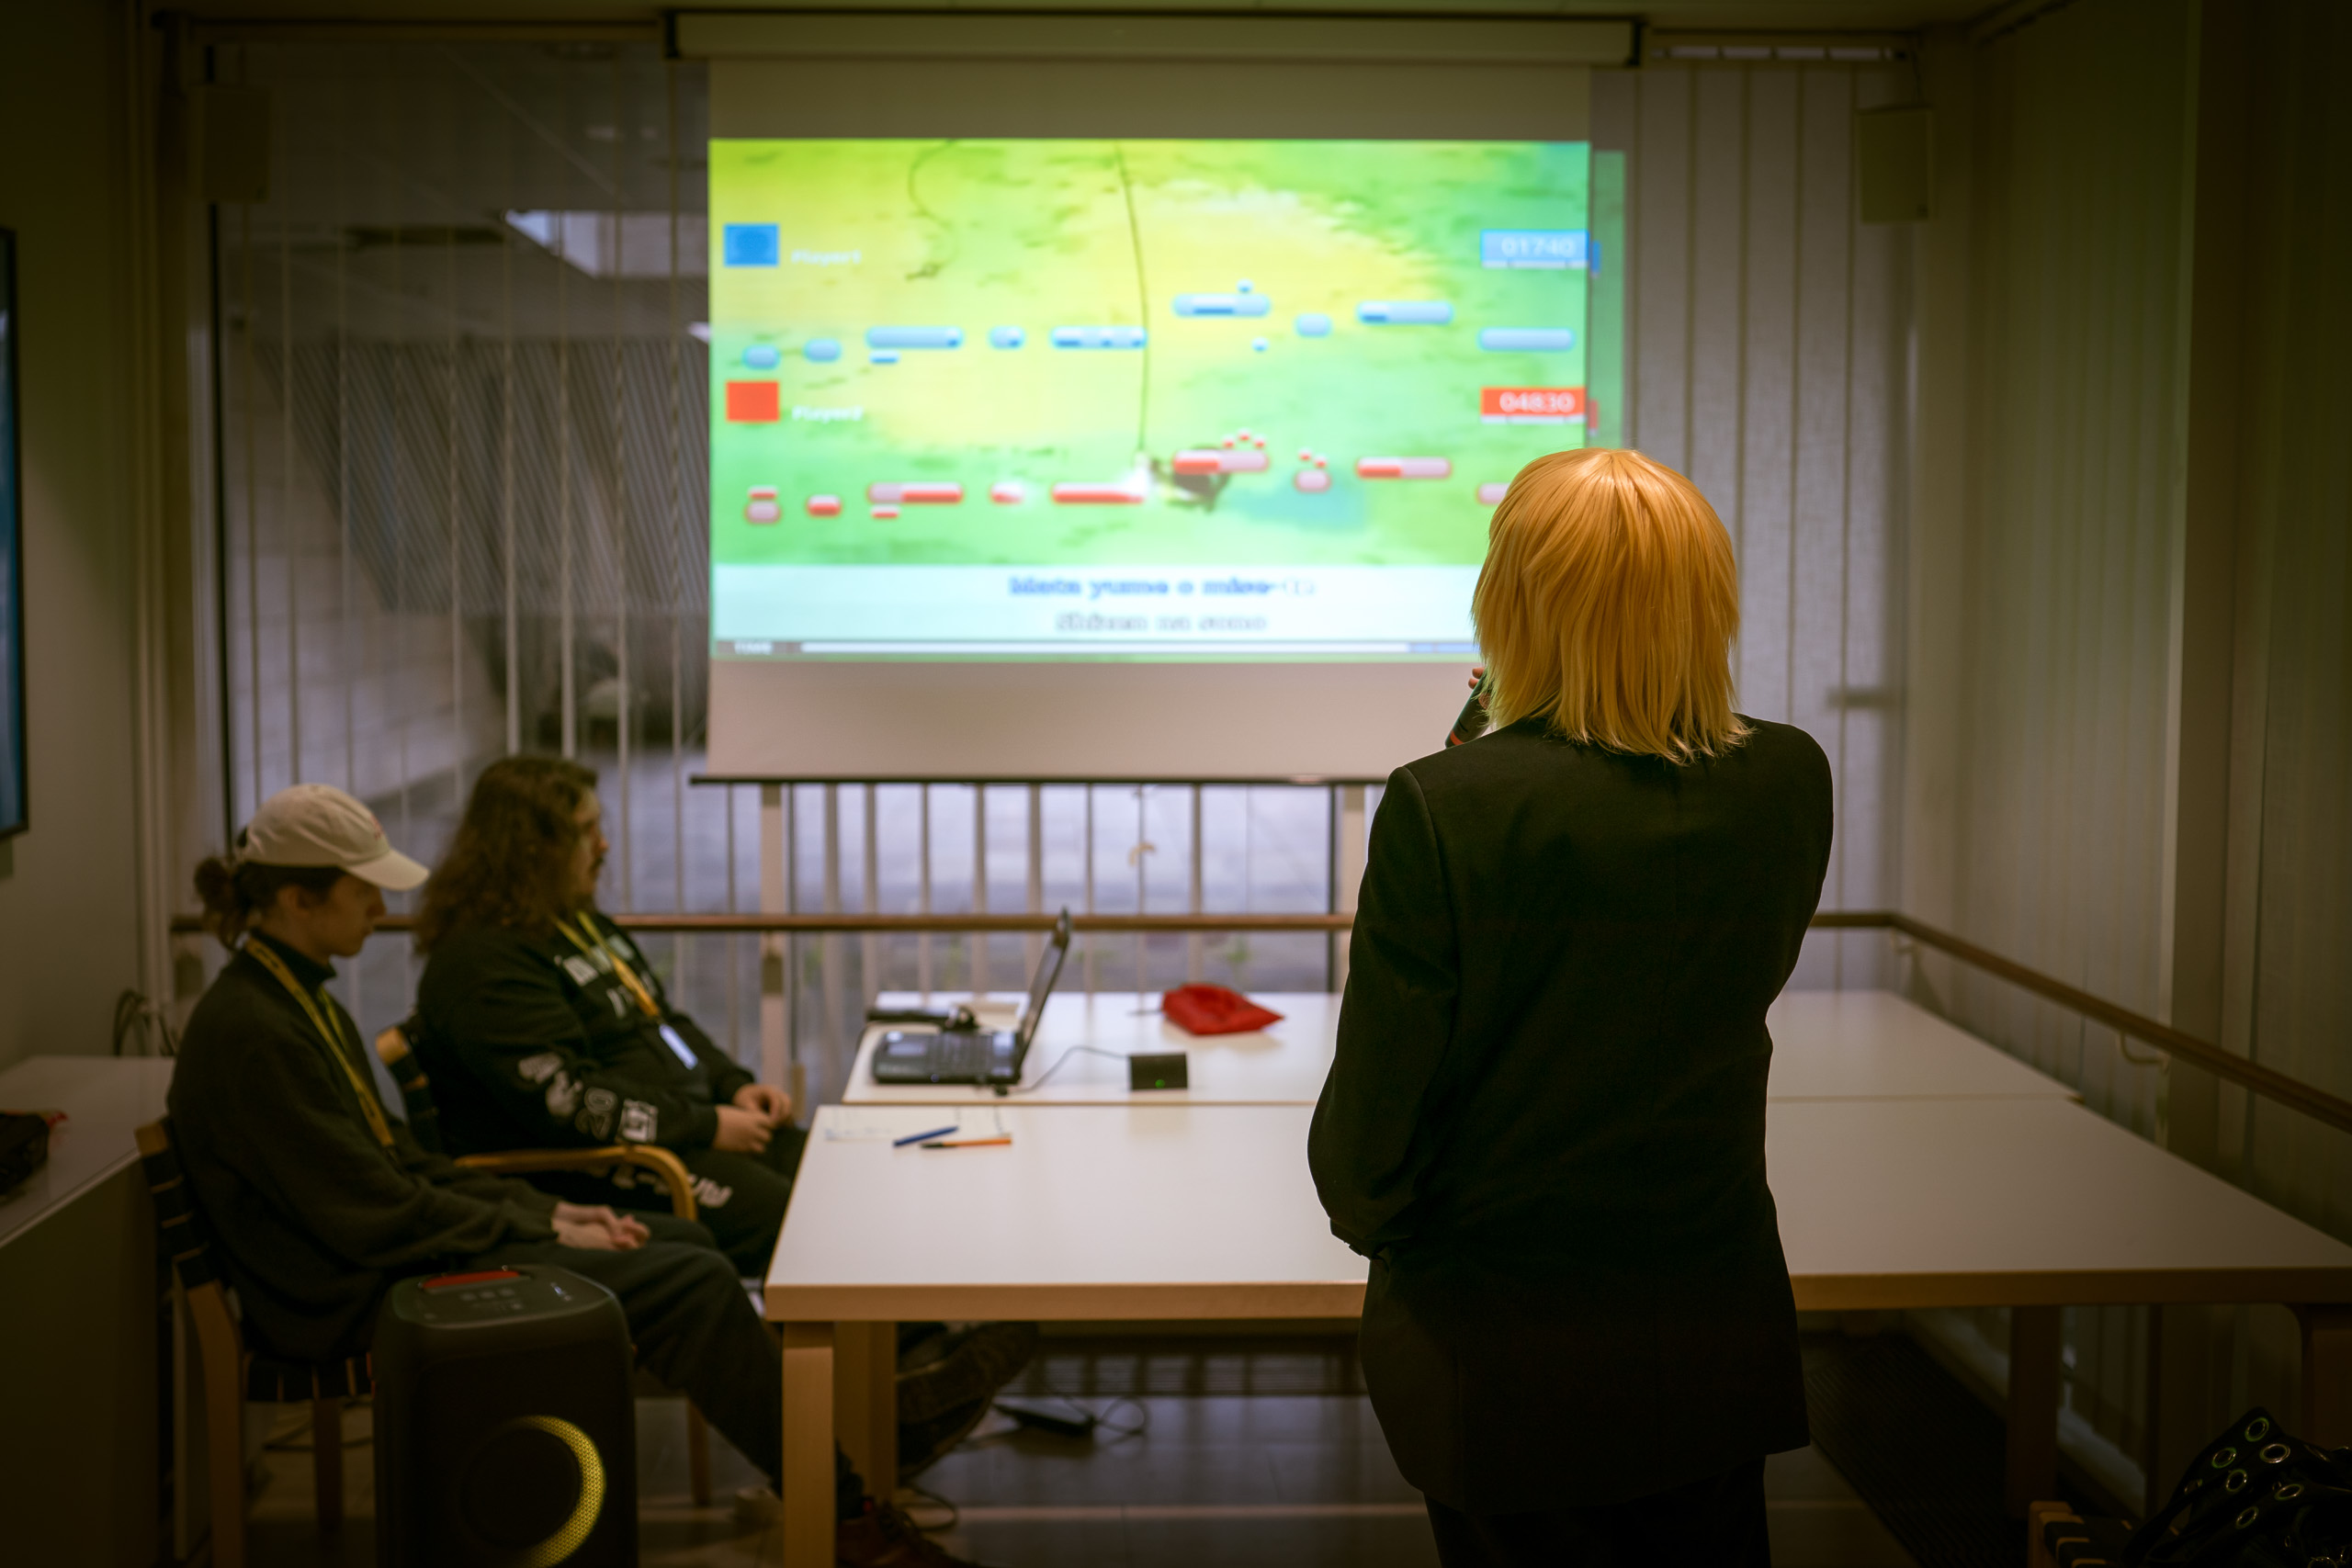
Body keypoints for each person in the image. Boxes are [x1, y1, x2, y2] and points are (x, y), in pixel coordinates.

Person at [168, 783, 979, 1566]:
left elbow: (403, 1167)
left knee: (687, 1246)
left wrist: (549, 1214)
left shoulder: (294, 997)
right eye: (363, 891)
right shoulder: (257, 1030)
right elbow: (372, 1209)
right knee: (694, 1281)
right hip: (349, 1292)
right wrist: (532, 1220)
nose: (382, 910)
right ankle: (845, 1515)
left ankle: (843, 1469)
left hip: (381, 1252)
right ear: (298, 899)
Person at [1308, 448, 1833, 1568]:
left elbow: (1376, 1120)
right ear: (1706, 603)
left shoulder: (1443, 805)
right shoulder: (1791, 778)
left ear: (1511, 602)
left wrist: (1376, 1222)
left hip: (1501, 1343)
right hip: (1711, 1324)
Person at [410, 756, 1034, 1466]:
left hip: (680, 1129)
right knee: (792, 1216)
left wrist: (733, 1086)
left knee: (845, 1173)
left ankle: (902, 1379)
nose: (604, 845)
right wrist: (706, 1124)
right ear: (532, 846)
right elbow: (571, 1104)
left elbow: (664, 1023)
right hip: (596, 1167)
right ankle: (877, 1414)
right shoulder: (483, 963)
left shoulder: (579, 926)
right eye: (585, 831)